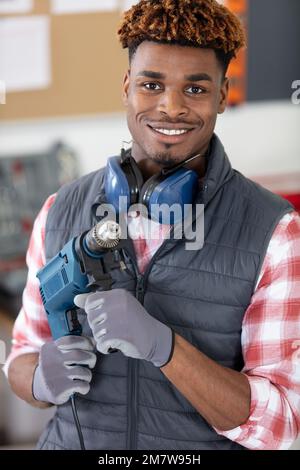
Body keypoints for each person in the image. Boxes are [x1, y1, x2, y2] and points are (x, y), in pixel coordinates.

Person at [4, 0, 300, 450]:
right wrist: (39, 380)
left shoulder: (275, 233)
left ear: (222, 95)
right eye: (151, 84)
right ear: (127, 86)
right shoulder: (59, 209)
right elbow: (22, 356)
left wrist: (166, 347)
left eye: (196, 89)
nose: (171, 107)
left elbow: (280, 426)